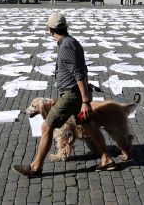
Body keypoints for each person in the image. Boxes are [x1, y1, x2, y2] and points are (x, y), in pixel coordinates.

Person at [12, 13, 116, 176]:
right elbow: (82, 70)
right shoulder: (72, 42)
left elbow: (78, 73)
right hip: (76, 95)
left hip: (71, 97)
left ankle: (35, 167)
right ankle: (106, 158)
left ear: (51, 29)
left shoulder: (67, 45)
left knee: (47, 126)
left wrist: (85, 100)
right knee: (89, 125)